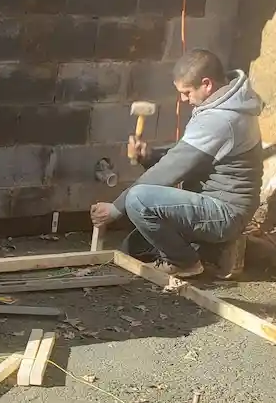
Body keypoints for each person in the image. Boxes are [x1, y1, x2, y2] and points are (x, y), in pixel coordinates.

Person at [91, 49, 263, 278]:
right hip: (210, 203)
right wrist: (149, 156)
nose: (183, 99)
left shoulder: (221, 118)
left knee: (138, 200)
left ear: (206, 84)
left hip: (224, 212)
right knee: (134, 249)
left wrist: (115, 208)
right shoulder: (227, 102)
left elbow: (171, 170)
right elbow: (186, 158)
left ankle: (187, 264)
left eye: (186, 92)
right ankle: (215, 251)